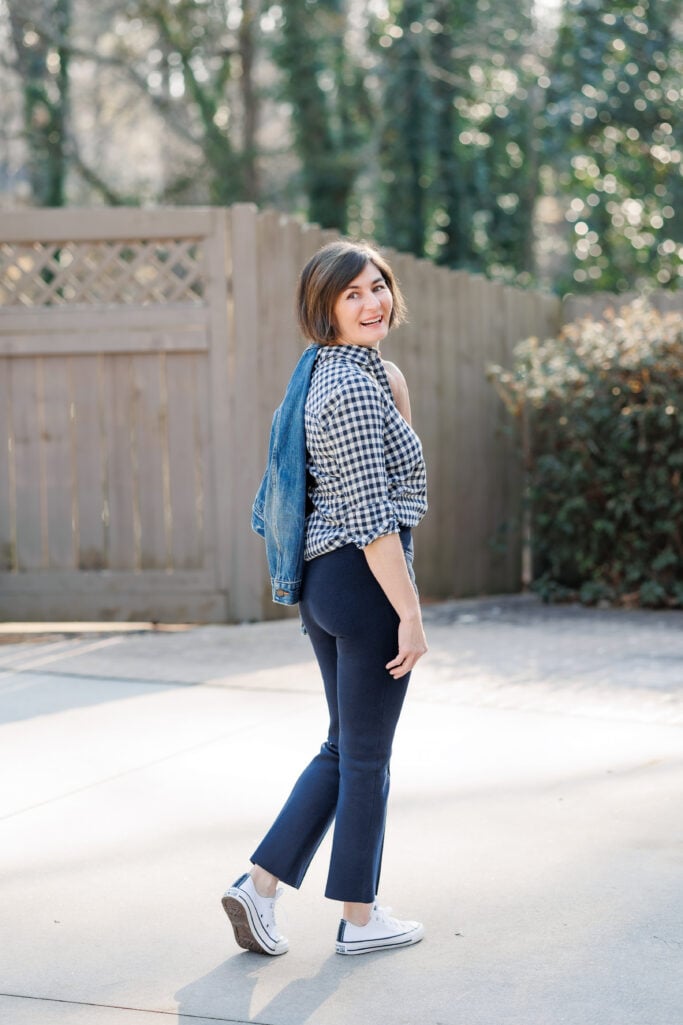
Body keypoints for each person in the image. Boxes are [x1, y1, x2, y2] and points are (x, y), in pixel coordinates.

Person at [222, 240, 428, 957]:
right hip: (361, 584)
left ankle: (260, 883)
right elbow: (374, 519)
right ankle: (360, 918)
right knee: (367, 755)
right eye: (352, 295)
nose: (372, 302)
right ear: (325, 309)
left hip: (326, 584)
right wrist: (409, 611)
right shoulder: (348, 389)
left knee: (344, 747)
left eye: (377, 286)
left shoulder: (337, 376)